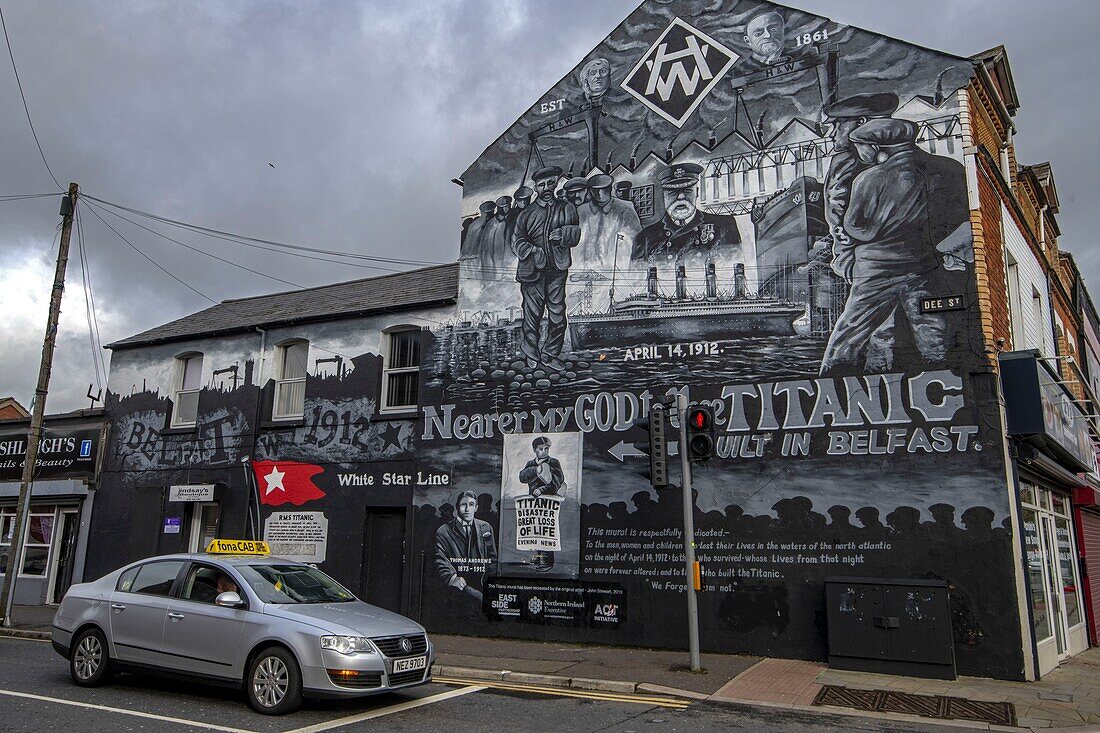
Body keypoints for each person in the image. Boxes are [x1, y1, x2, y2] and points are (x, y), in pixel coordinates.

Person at [820, 118, 970, 374]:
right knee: (932, 329)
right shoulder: (950, 168)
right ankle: (946, 381)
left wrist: (851, 234)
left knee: (850, 332)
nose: (859, 151)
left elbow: (857, 227)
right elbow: (959, 216)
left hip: (876, 270)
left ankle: (829, 383)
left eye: (862, 146)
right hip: (925, 264)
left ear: (877, 147)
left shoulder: (869, 179)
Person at [820, 93, 900, 275]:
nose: (832, 134)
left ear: (860, 122)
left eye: (837, 125)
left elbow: (837, 215)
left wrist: (847, 264)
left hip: (863, 266)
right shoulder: (901, 155)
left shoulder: (844, 161)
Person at [512, 165, 581, 370]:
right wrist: (533, 250)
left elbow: (575, 233)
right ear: (536, 188)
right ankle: (531, 353)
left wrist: (564, 234)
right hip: (531, 272)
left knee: (558, 314)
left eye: (551, 183)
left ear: (556, 183)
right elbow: (516, 241)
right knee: (531, 316)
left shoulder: (566, 208)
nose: (547, 188)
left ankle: (550, 354)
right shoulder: (526, 213)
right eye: (542, 185)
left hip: (557, 270)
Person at [631, 163, 740, 263]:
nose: (681, 197)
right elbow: (635, 280)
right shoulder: (644, 238)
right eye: (673, 192)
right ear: (664, 197)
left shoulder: (724, 226)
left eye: (687, 190)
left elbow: (736, 267)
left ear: (696, 193)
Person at [434, 491, 497, 603]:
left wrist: (490, 583)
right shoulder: (444, 530)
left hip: (481, 584)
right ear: (457, 507)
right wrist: (452, 578)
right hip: (455, 588)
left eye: (471, 505)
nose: (467, 509)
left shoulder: (485, 527)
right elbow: (439, 558)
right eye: (463, 505)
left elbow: (492, 558)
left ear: (476, 508)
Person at [518, 437, 566, 572]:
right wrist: (536, 469)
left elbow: (558, 482)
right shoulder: (530, 463)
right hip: (533, 503)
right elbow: (522, 477)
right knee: (534, 529)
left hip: (549, 502)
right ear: (535, 450)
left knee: (546, 530)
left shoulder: (554, 462)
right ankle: (536, 557)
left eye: (546, 449)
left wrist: (542, 490)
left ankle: (546, 561)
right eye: (541, 449)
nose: (544, 451)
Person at [577, 173, 641, 270]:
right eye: (595, 190)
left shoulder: (625, 208)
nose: (599, 193)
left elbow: (637, 237)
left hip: (616, 265)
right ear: (590, 191)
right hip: (588, 265)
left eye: (603, 190)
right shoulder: (582, 210)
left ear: (610, 189)